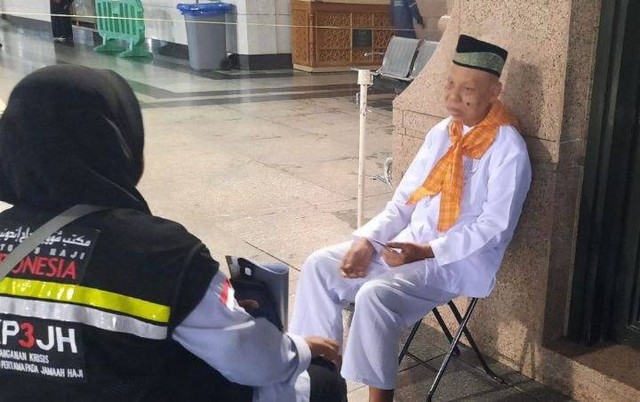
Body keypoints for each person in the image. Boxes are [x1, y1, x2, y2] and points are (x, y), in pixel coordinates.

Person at [0, 65, 347, 402]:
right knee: (321, 379)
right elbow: (255, 364)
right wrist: (302, 347)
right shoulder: (162, 254)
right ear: (116, 140)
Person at [290, 34, 532, 402]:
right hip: (408, 247)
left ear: (494, 91)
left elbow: (494, 227)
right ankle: (319, 377)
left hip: (454, 262)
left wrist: (426, 250)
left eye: (467, 90)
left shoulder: (508, 147)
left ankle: (379, 398)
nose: (453, 97)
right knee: (321, 265)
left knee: (375, 296)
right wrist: (367, 241)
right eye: (449, 84)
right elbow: (404, 202)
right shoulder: (442, 133)